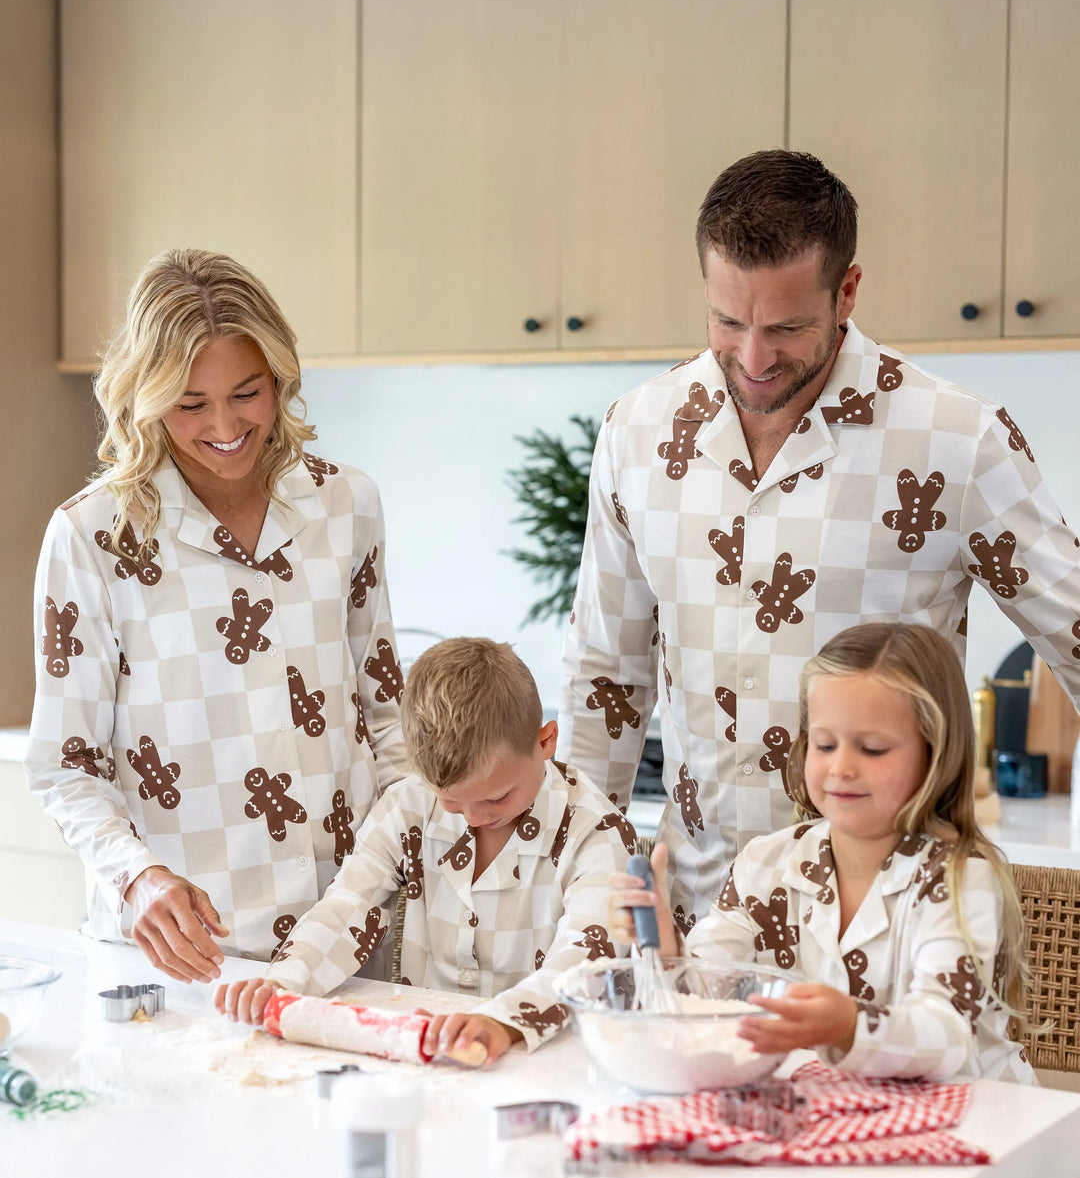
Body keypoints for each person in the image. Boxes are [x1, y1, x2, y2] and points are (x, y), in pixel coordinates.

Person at [561, 149, 1080, 926]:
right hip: (695, 920)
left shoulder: (957, 440)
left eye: (787, 327)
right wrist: (582, 882)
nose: (754, 358)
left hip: (886, 930)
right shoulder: (637, 430)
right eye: (727, 321)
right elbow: (606, 672)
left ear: (848, 290)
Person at [25, 250, 407, 980]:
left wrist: (400, 867)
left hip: (345, 937)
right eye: (190, 403)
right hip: (181, 954)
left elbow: (385, 713)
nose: (227, 425)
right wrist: (136, 877)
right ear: (144, 393)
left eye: (248, 392)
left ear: (280, 378)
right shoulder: (92, 536)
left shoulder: (346, 504)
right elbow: (64, 766)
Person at [612, 623, 1034, 1082]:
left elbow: (946, 1035)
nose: (841, 767)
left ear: (936, 753)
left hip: (978, 1123)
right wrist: (666, 948)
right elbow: (709, 992)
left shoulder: (958, 879)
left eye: (872, 749)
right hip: (845, 1111)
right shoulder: (766, 863)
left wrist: (851, 1026)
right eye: (825, 744)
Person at [216, 637, 636, 1063]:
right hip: (420, 1047)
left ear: (545, 742)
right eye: (451, 801)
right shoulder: (408, 805)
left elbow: (584, 960)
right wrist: (285, 982)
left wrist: (502, 1023)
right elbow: (347, 907)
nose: (473, 817)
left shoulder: (596, 834)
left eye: (497, 798)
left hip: (544, 1057)